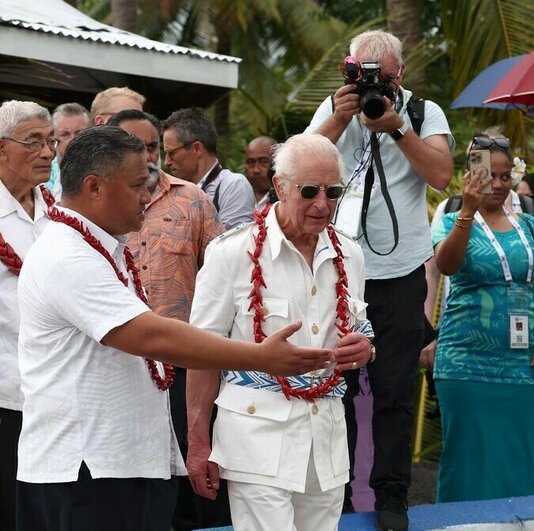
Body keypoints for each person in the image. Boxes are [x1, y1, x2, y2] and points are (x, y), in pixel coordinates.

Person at [15, 126, 334, 530]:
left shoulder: (100, 247)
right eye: (137, 186)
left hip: (117, 466)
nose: (147, 197)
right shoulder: (68, 255)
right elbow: (152, 336)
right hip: (88, 471)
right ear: (94, 187)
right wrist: (260, 357)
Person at [186, 133, 374, 531]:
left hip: (326, 445)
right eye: (309, 191)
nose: (322, 204)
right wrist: (198, 443)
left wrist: (365, 348)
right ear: (280, 186)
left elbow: (358, 328)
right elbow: (201, 354)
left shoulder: (350, 254)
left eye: (333, 191)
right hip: (256, 443)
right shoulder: (231, 252)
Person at [306, 29, 454, 530]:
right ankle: (341, 496)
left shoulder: (422, 112)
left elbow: (441, 175)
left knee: (394, 392)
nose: (376, 87)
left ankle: (393, 497)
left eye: (384, 78)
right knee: (337, 390)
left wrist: (397, 128)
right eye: (365, 77)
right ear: (348, 72)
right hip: (340, 273)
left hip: (402, 273)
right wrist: (339, 116)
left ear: (400, 74)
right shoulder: (336, 107)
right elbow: (299, 166)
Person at [108, 109, 227, 529]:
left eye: (151, 146)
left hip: (183, 366)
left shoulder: (192, 199)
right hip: (121, 366)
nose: (146, 156)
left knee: (195, 474)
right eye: (133, 147)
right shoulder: (99, 207)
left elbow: (222, 278)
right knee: (138, 482)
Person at [430, 134, 534, 502]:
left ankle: (519, 522)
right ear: (471, 176)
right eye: (489, 176)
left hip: (521, 359)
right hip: (464, 360)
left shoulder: (530, 225)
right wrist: (467, 212)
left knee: (517, 455)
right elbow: (447, 265)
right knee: (465, 456)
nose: (499, 184)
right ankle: (457, 525)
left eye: (505, 176)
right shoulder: (451, 220)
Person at [0, 100, 56, 531]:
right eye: (34, 142)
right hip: (8, 393)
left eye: (51, 141)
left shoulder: (60, 212)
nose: (48, 152)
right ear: (1, 148)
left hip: (57, 393)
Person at [163, 107, 254, 230]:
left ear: (197, 149)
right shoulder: (175, 192)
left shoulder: (232, 185)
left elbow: (234, 240)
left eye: (171, 153)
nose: (167, 162)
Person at [47, 102, 90, 201]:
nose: (73, 140)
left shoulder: (104, 173)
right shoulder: (42, 177)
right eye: (65, 134)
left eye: (79, 133)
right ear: (53, 138)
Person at [244, 135, 278, 209]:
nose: (256, 170)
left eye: (264, 162)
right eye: (251, 162)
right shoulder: (236, 197)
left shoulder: (286, 199)